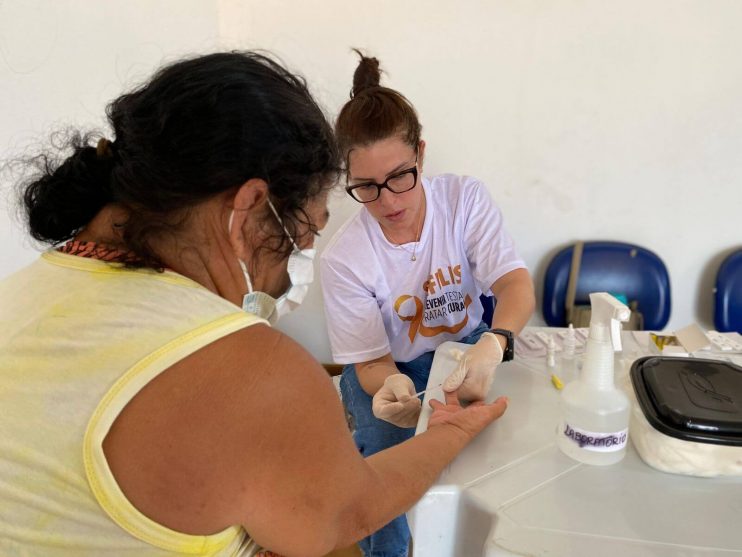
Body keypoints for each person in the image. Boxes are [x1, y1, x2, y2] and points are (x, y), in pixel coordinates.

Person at [0, 52, 509, 557]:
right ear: (247, 209)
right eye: (303, 234)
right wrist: (452, 431)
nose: (298, 262)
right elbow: (345, 514)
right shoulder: (259, 375)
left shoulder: (22, 295)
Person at [320, 51, 536, 556]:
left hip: (468, 350)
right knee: (385, 481)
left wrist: (495, 341)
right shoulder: (345, 258)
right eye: (367, 188)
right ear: (347, 181)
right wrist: (390, 384)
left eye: (400, 176)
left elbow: (514, 284)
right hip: (390, 367)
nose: (390, 201)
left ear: (421, 154)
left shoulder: (463, 201)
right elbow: (371, 360)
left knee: (494, 458)